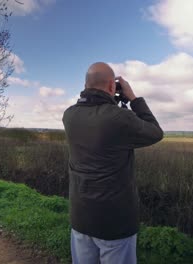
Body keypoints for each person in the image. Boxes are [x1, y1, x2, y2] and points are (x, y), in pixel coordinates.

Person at [62, 62, 164, 264]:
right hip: (114, 222)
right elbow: (155, 132)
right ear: (111, 86)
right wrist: (133, 99)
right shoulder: (119, 118)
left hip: (81, 216)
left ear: (85, 84)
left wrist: (112, 101)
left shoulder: (69, 115)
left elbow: (98, 118)